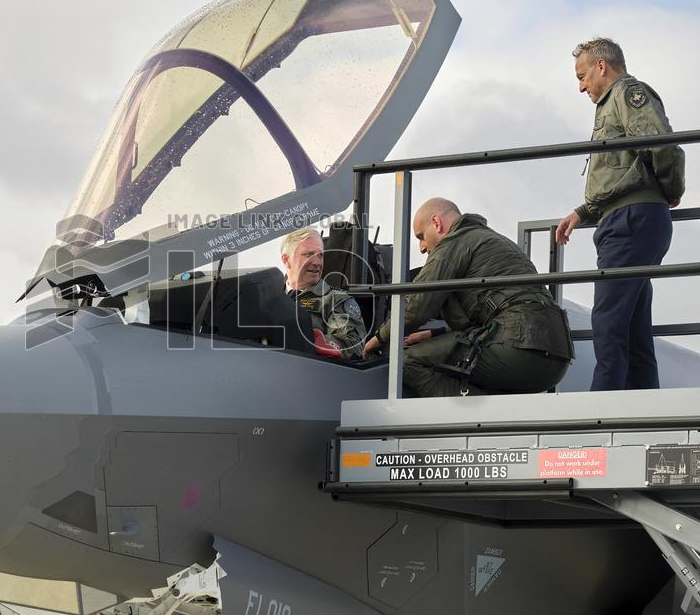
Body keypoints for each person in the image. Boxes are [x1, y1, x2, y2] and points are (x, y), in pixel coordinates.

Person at [555, 37, 686, 391]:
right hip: (624, 218)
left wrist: (669, 190)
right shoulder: (610, 105)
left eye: (582, 76)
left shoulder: (628, 94)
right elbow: (619, 172)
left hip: (632, 219)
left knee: (609, 320)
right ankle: (642, 408)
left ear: (601, 66)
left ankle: (602, 410)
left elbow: (660, 145)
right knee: (632, 325)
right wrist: (583, 212)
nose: (581, 86)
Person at [361, 198, 573, 397]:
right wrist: (436, 332)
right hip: (557, 357)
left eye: (421, 236)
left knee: (407, 361)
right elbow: (501, 305)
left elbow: (417, 304)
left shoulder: (455, 242)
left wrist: (379, 338)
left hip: (518, 350)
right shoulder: (494, 240)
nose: (422, 247)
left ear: (436, 223)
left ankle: (482, 419)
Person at [280, 227, 367, 359]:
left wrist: (317, 342)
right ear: (286, 260)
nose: (317, 262)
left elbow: (353, 343)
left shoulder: (335, 299)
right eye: (308, 254)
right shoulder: (268, 297)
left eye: (320, 255)